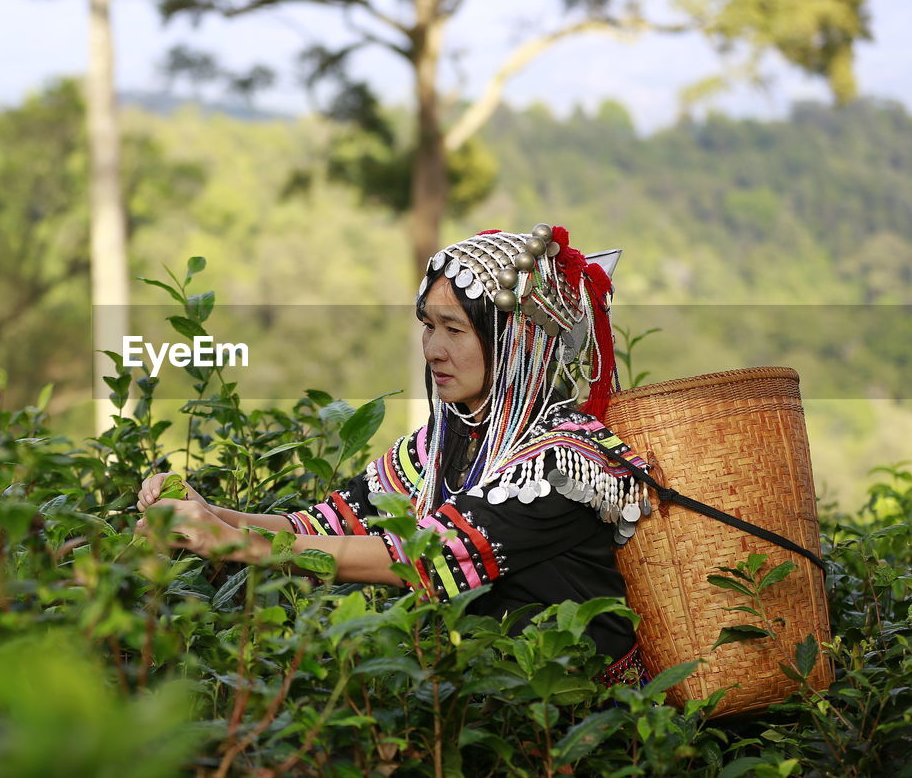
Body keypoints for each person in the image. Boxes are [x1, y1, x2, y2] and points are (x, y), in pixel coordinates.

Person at [136, 224, 651, 681]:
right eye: (429, 326)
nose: (432, 349)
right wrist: (208, 514)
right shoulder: (449, 440)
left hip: (582, 720)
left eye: (454, 330)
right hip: (491, 695)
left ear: (517, 339)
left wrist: (237, 544)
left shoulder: (563, 462)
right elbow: (325, 526)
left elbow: (423, 557)